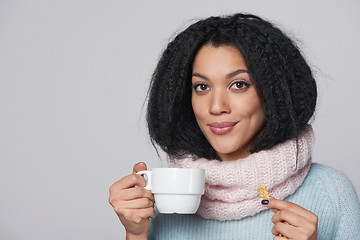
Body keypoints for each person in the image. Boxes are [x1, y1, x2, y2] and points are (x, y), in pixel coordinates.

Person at [109, 13, 360, 239]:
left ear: (273, 93)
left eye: (239, 84)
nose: (216, 106)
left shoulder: (331, 192)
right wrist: (136, 234)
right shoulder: (161, 198)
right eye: (202, 87)